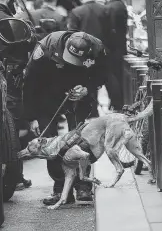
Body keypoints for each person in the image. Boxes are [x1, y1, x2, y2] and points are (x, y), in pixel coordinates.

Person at [23, 31, 108, 204]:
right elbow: (29, 82)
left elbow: (103, 74)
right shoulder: (46, 48)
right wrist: (31, 116)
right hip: (47, 95)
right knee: (49, 143)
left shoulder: (97, 48)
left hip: (78, 94)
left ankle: (83, 186)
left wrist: (87, 89)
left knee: (80, 141)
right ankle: (60, 189)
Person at [0, 0, 33, 190]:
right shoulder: (14, 21)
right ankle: (15, 176)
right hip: (10, 81)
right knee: (12, 128)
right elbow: (27, 49)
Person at [103, 0, 128, 111]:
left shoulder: (113, 6)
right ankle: (117, 103)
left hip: (113, 49)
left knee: (114, 77)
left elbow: (112, 30)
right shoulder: (117, 4)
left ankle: (117, 104)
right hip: (117, 47)